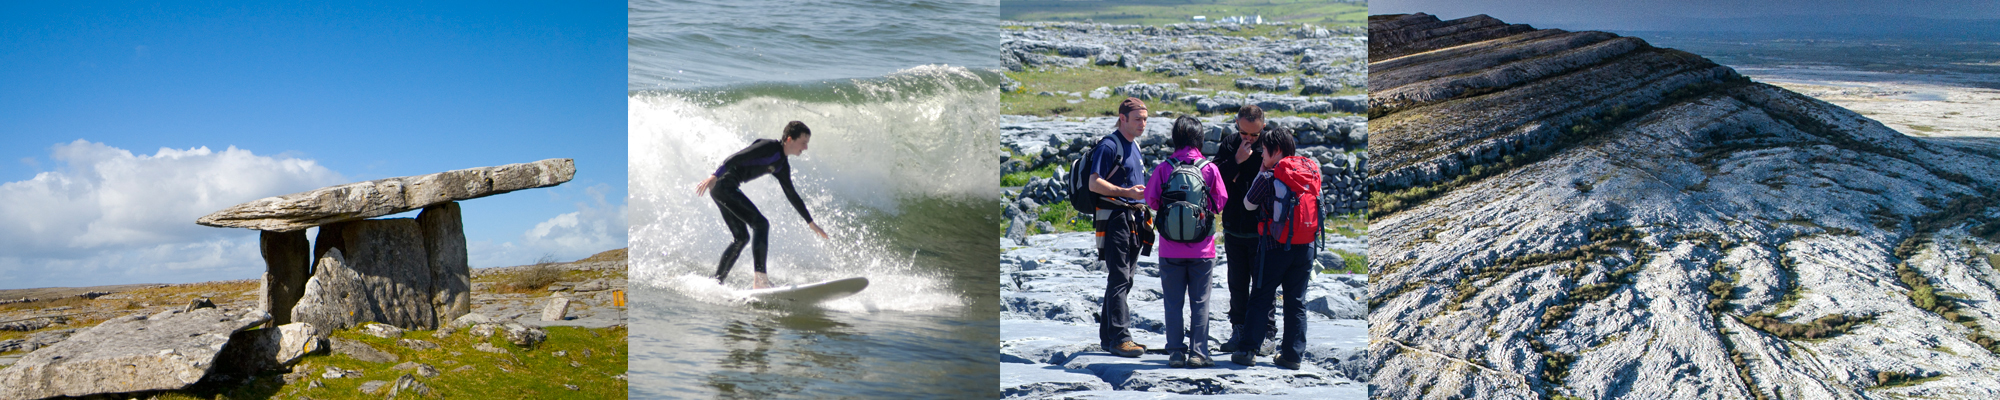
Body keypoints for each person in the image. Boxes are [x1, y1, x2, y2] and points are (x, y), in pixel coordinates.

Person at [695, 121, 830, 289]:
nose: (806, 148)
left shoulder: (781, 165)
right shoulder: (768, 147)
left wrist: (810, 222)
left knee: (742, 237)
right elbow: (735, 157)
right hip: (722, 184)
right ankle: (760, 280)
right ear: (789, 139)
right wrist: (715, 175)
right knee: (761, 224)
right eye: (803, 142)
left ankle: (716, 282)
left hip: (722, 188)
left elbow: (792, 194)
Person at [1233, 128, 1321, 370]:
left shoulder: (1270, 177)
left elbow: (1248, 205)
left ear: (1277, 151)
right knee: (1296, 302)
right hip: (1306, 247)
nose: (1261, 156)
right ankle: (1292, 356)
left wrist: (1261, 174)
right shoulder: (1310, 173)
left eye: (1264, 152)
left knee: (1261, 297)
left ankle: (1247, 350)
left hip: (1273, 247)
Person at [1144, 116, 1228, 368]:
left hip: (1170, 248)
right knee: (1200, 302)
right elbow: (1220, 202)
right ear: (1199, 138)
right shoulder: (1209, 168)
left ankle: (1176, 353)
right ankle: (1198, 353)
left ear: (1175, 138)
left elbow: (1151, 201)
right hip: (1203, 249)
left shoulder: (1164, 167)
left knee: (1173, 303)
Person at [1210, 105, 1276, 354]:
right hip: (1234, 227)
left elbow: (1271, 182)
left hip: (1263, 230)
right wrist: (1237, 161)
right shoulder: (1230, 143)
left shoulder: (1271, 143)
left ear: (1263, 126)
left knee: (1263, 285)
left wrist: (1238, 178)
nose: (1248, 139)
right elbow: (1215, 178)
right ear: (1237, 124)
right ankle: (1238, 330)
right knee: (1236, 284)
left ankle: (1266, 334)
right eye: (1243, 133)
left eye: (1253, 135)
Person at [1088, 97, 1151, 358]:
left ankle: (1108, 337)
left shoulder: (1133, 145)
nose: (1143, 124)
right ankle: (1121, 339)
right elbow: (1094, 183)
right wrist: (1126, 192)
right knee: (1119, 277)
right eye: (1138, 119)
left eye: (1145, 119)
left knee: (1125, 278)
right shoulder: (1109, 145)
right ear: (1122, 118)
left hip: (1132, 218)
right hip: (1115, 218)